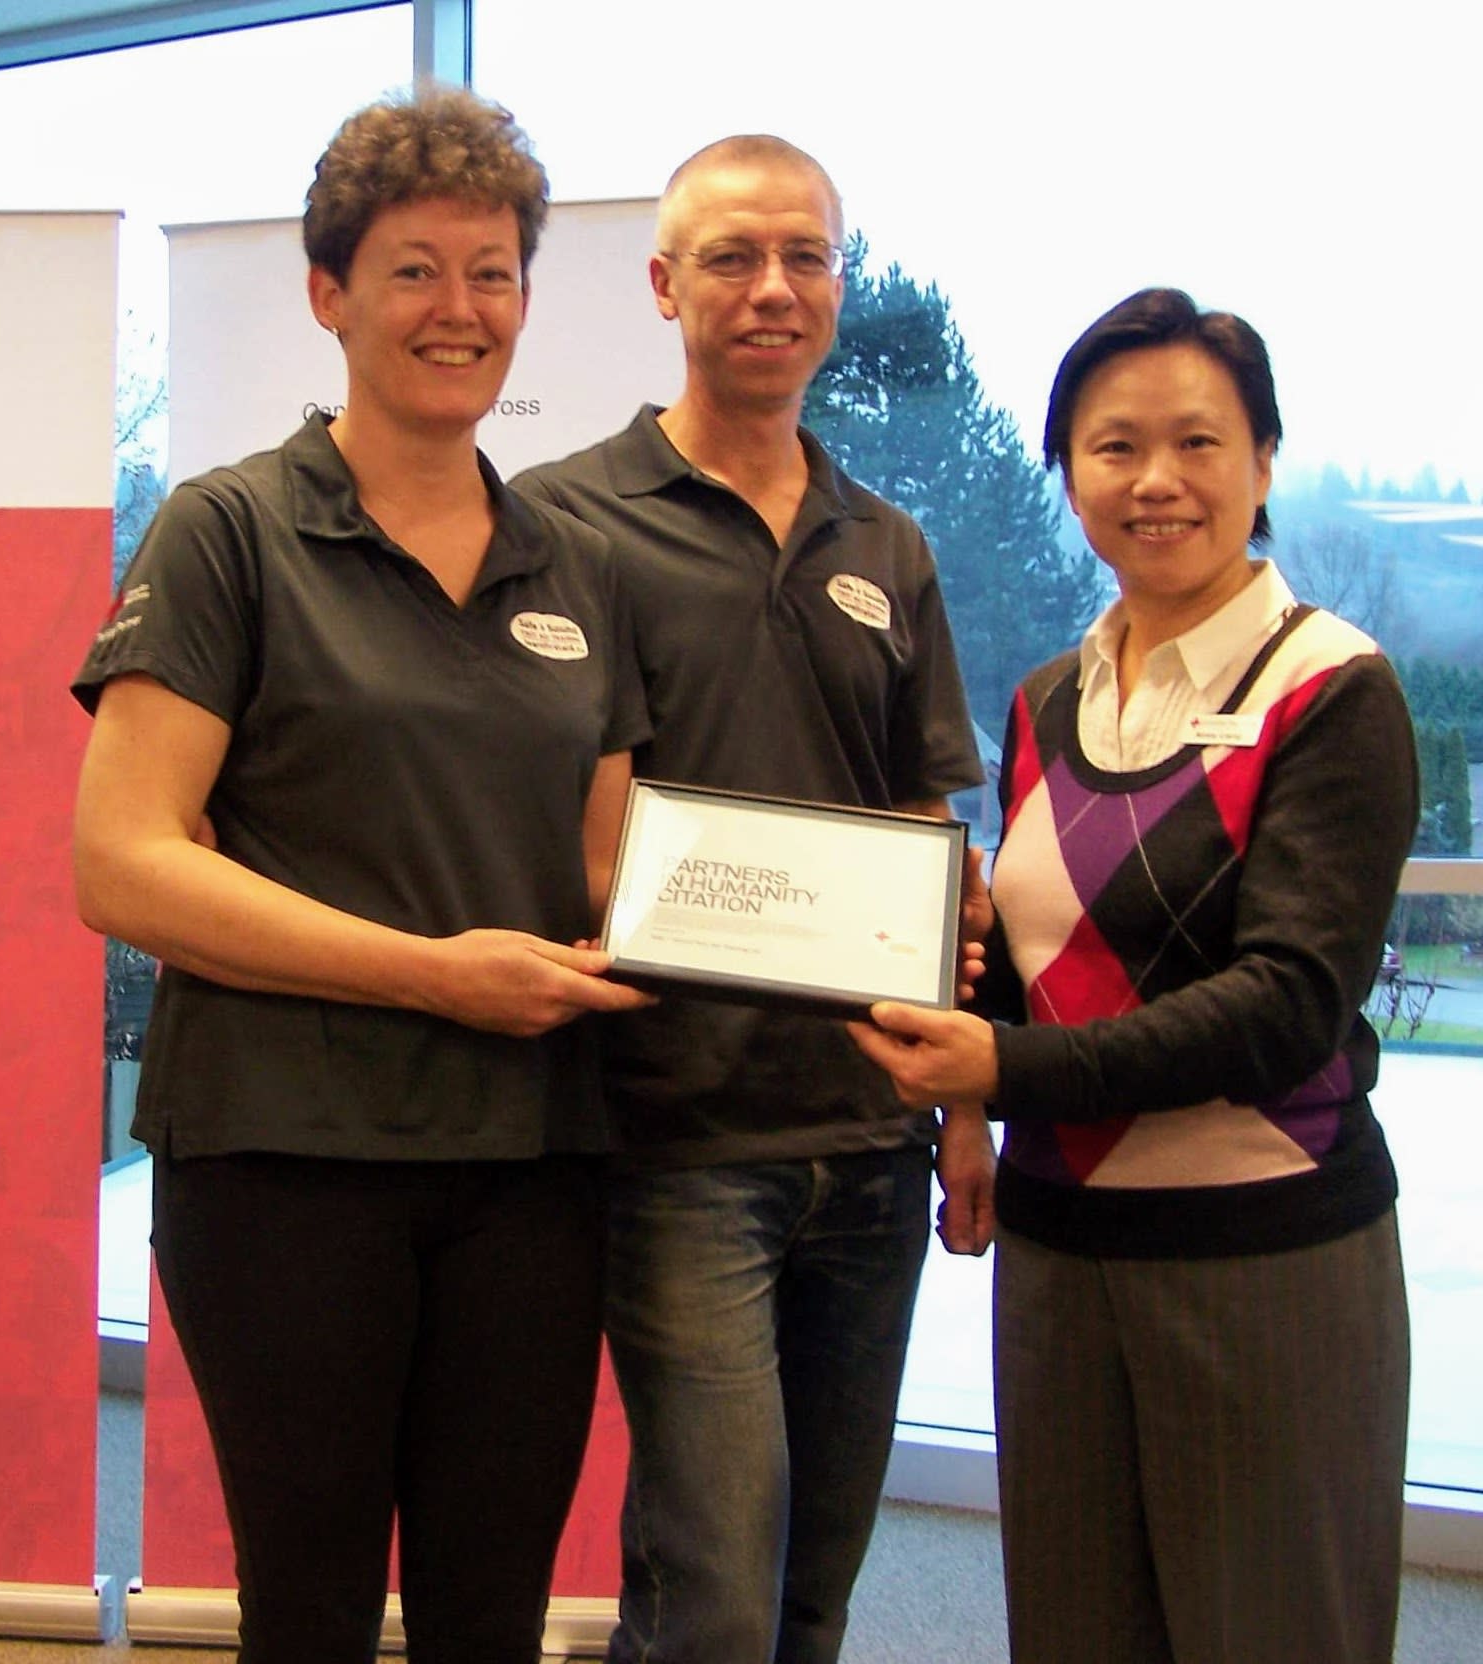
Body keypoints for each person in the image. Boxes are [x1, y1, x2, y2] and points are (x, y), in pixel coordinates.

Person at [70, 88, 651, 1664]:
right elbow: (120, 866)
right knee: (312, 1614)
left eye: (493, 271)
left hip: (531, 1170)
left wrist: (813, 938)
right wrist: (433, 970)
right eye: (413, 269)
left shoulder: (576, 566)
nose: (458, 309)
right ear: (329, 293)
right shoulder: (228, 535)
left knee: (491, 1616)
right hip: (285, 1167)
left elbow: (609, 866)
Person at [850, 288, 1417, 1664]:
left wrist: (1006, 1072)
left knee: (1271, 1632)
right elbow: (1038, 959)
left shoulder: (1334, 691)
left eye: (1199, 442)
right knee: (1076, 1631)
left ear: (1264, 461)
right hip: (1058, 1251)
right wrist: (974, 1104)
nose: (1156, 481)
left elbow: (1288, 1006)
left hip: (1263, 1259)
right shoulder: (1053, 696)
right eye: (1113, 447)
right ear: (1068, 473)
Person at [512, 136, 992, 1664]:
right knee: (715, 1586)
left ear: (840, 287)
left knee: (811, 1588)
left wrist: (961, 1089)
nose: (772, 288)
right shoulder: (566, 520)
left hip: (868, 1134)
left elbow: (927, 824)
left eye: (807, 257)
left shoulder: (888, 544)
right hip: (680, 1137)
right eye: (731, 257)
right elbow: (591, 837)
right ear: (666, 284)